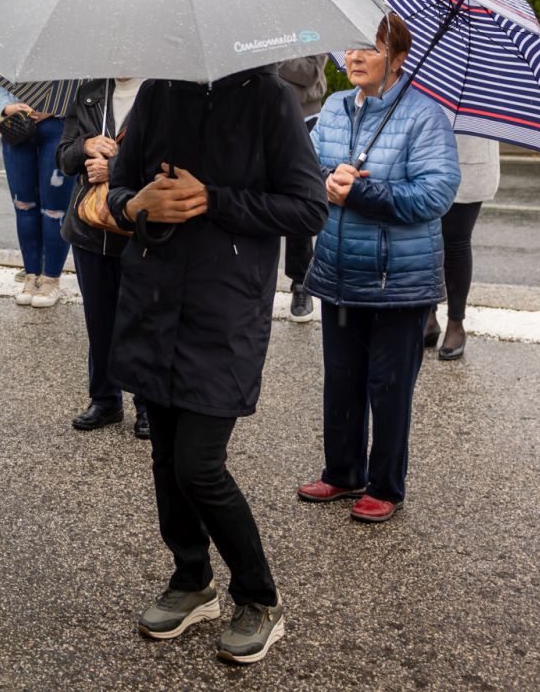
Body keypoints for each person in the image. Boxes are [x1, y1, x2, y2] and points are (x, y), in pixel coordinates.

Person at [105, 65, 326, 665]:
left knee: (198, 465)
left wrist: (216, 200)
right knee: (165, 457)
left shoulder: (272, 100)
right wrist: (140, 205)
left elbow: (308, 208)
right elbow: (118, 194)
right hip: (154, 304)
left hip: (223, 311)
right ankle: (191, 579)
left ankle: (259, 597)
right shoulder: (157, 92)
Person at [299, 14, 459, 524]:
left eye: (369, 47)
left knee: (388, 386)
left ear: (398, 56)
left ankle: (386, 485)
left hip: (399, 282)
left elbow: (436, 193)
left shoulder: (424, 116)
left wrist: (362, 191)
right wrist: (327, 179)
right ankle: (342, 472)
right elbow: (306, 169)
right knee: (341, 379)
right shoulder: (333, 107)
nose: (355, 57)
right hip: (338, 271)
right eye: (349, 48)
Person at [57, 76, 149, 438]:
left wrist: (117, 168)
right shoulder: (89, 93)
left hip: (139, 228)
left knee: (141, 318)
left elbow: (168, 160)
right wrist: (85, 148)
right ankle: (105, 399)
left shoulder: (159, 94)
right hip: (89, 227)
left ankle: (146, 404)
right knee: (99, 318)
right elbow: (63, 157)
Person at [0, 80, 72, 309]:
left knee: (54, 211)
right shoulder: (10, 43)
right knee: (23, 207)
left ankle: (50, 280)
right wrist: (8, 107)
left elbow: (79, 84)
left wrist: (50, 108)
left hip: (59, 125)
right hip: (16, 128)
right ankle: (31, 276)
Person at [427, 135, 498, 361]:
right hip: (426, 154)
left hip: (470, 156)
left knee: (456, 239)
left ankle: (456, 323)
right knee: (425, 237)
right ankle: (427, 315)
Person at [277, 55, 328, 321]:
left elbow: (309, 73)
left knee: (299, 197)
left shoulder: (313, 21)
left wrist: (268, 56)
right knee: (262, 199)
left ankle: (301, 282)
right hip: (265, 111)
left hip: (305, 117)